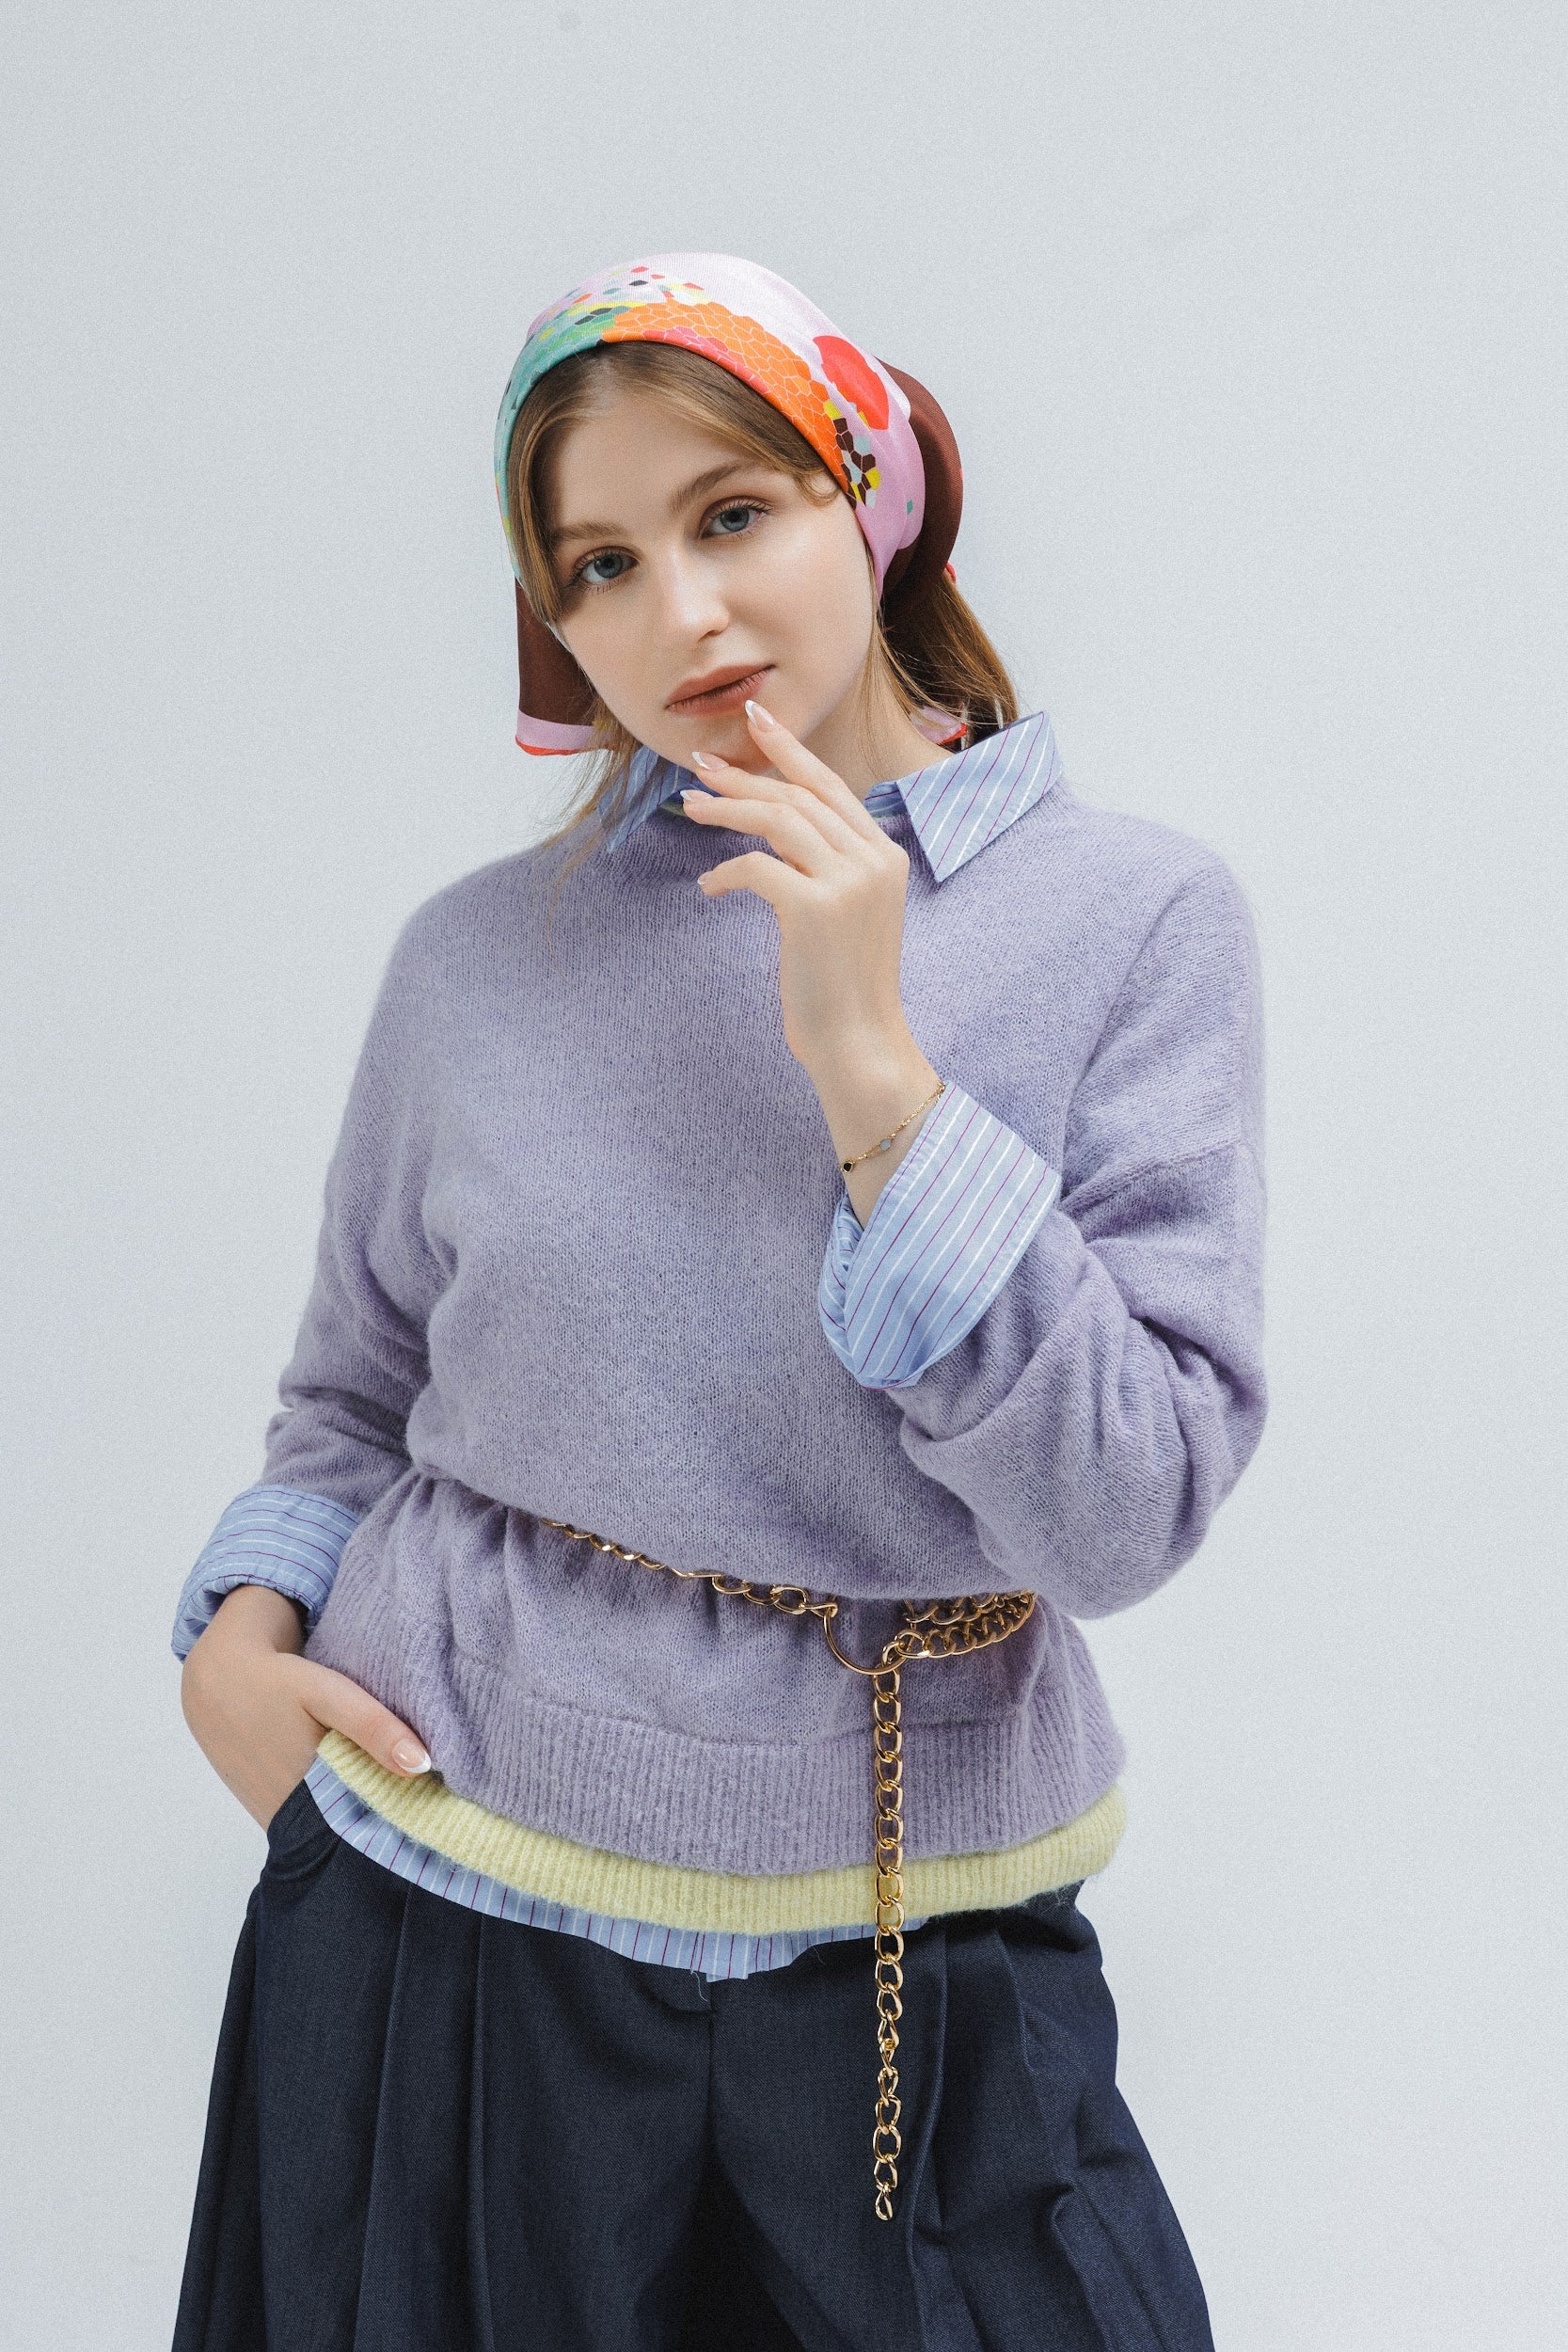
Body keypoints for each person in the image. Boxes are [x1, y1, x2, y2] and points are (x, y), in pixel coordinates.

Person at [170, 252, 1268, 2351]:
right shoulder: (477, 954)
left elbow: (1128, 1512)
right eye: (598, 563)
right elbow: (353, 1396)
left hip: (914, 1957)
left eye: (733, 513)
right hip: (435, 1920)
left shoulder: (1134, 923)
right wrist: (240, 1640)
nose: (676, 611)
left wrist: (877, 1073)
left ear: (873, 499)